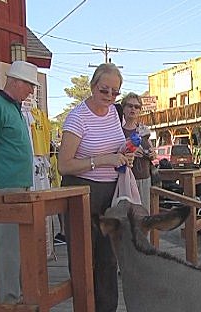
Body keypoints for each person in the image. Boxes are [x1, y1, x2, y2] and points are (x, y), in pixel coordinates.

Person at [57, 63, 134, 312]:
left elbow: (113, 146)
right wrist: (102, 160)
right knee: (83, 260)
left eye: (115, 92)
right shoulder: (77, 117)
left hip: (108, 193)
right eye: (105, 91)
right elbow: (64, 165)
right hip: (81, 193)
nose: (110, 97)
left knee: (108, 259)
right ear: (92, 87)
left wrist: (124, 154)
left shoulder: (114, 112)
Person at [0, 60, 39, 303]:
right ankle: (8, 300)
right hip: (5, 187)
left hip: (20, 186)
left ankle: (18, 296)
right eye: (29, 85)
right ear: (14, 81)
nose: (31, 91)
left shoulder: (14, 108)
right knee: (8, 247)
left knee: (20, 245)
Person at [121, 92, 156, 214]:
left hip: (145, 178)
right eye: (129, 106)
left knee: (143, 215)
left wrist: (152, 154)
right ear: (123, 109)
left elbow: (153, 154)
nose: (133, 109)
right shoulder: (118, 131)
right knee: (127, 216)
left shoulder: (144, 130)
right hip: (126, 180)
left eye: (136, 107)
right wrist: (131, 152)